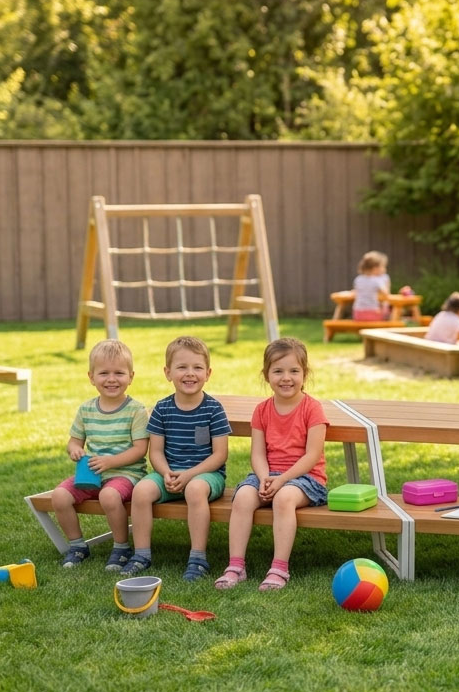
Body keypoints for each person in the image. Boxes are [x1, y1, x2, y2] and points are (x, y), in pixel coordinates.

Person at [215, 338, 328, 592]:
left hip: (306, 478)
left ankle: (279, 568)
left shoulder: (313, 409)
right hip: (268, 474)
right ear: (266, 375)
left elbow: (312, 456)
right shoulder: (262, 410)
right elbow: (257, 454)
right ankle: (235, 566)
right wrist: (265, 477)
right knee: (243, 497)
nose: (286, 378)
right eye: (278, 371)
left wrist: (282, 480)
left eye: (294, 371)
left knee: (283, 498)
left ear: (305, 373)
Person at [122, 336, 231, 581]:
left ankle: (198, 558)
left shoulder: (213, 409)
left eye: (197, 367)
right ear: (168, 373)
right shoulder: (162, 409)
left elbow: (220, 455)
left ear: (208, 373)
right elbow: (156, 451)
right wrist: (165, 473)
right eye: (182, 367)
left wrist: (189, 475)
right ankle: (141, 555)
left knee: (194, 489)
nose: (190, 373)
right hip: (168, 474)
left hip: (206, 475)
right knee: (141, 491)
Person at [52, 340, 149, 569]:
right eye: (104, 373)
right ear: (91, 377)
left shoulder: (135, 410)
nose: (111, 379)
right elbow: (74, 441)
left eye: (119, 373)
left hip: (127, 474)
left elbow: (140, 449)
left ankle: (121, 547)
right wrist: (75, 449)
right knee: (59, 496)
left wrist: (110, 462)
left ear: (131, 377)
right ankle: (77, 545)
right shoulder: (86, 409)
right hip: (92, 474)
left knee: (109, 496)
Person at [351, 250, 391, 321]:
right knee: (386, 309)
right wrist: (387, 283)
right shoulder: (377, 280)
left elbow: (355, 294)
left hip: (358, 314)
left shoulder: (358, 279)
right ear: (375, 268)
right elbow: (386, 294)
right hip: (373, 314)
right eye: (383, 267)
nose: (384, 269)